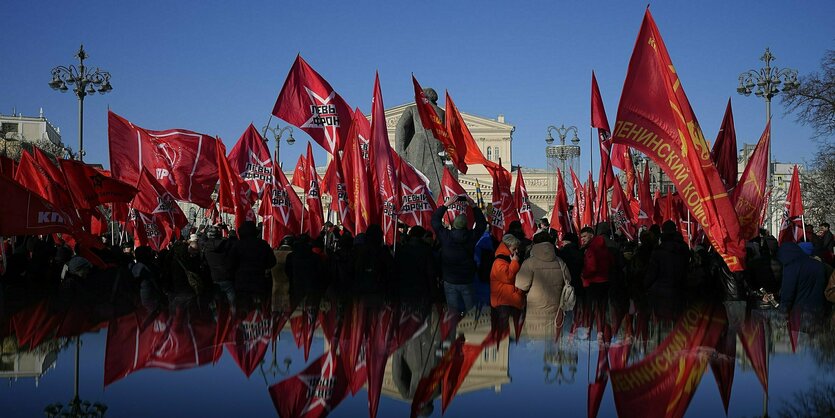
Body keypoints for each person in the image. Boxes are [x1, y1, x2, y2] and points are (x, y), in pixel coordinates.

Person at [431, 197, 487, 314]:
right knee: (470, 310)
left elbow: (435, 221)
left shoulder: (445, 236)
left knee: (453, 311)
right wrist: (474, 207)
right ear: (466, 225)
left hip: (449, 279)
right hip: (466, 279)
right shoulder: (471, 236)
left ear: (454, 225)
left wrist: (446, 205)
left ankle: (454, 330)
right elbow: (482, 224)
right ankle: (468, 329)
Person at [516, 231, 570, 316]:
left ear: (535, 244)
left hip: (535, 309)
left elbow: (522, 285)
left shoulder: (529, 262)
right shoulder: (560, 261)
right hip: (556, 306)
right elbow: (568, 280)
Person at [644, 221, 690, 317]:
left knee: (662, 321)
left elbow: (652, 273)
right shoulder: (684, 248)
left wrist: (644, 286)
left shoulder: (658, 250)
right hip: (680, 290)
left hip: (661, 293)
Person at [229, 221, 277, 298]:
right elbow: (272, 261)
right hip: (259, 281)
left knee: (243, 306)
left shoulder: (237, 245)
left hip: (241, 281)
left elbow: (231, 263)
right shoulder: (263, 244)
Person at [778, 241, 827, 315]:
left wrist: (783, 312)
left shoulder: (792, 266)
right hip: (819, 310)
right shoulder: (820, 265)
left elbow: (788, 292)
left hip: (799, 312)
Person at [580, 226, 611, 327]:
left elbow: (591, 268)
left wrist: (583, 274)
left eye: (584, 236)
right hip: (605, 280)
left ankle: (591, 330)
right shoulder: (604, 247)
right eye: (581, 237)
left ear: (591, 235)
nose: (583, 239)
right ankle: (601, 330)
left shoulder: (591, 249)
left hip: (593, 283)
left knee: (592, 309)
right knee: (602, 309)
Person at [490, 234, 524, 316]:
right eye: (514, 249)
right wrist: (515, 262)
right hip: (504, 303)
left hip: (508, 301)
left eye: (517, 249)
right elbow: (508, 278)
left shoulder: (506, 260)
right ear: (506, 248)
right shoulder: (499, 262)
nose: (516, 251)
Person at [200, 226, 234, 305]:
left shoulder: (205, 246)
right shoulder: (226, 244)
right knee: (232, 302)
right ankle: (233, 314)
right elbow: (233, 241)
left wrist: (204, 232)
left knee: (217, 302)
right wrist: (227, 229)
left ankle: (218, 315)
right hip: (227, 276)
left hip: (213, 277)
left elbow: (200, 241)